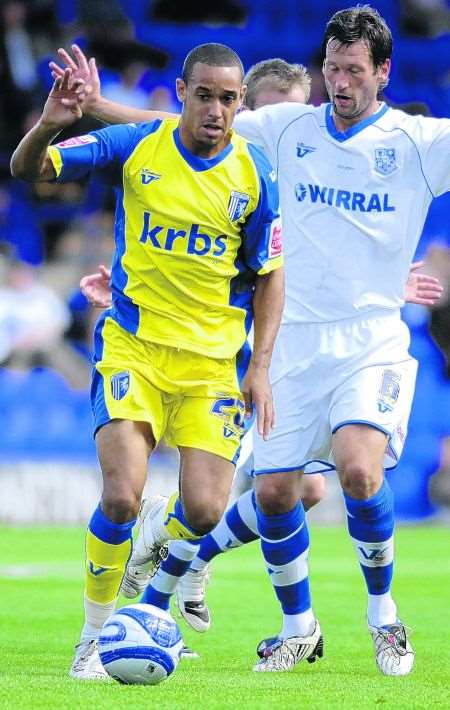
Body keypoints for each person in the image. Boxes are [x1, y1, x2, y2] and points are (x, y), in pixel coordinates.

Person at [54, 6, 450, 676]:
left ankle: (381, 616)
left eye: (355, 70)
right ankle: (291, 623)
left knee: (353, 472)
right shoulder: (285, 129)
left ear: (383, 72)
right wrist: (97, 106)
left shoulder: (417, 141)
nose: (341, 81)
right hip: (285, 341)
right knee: (273, 495)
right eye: (333, 68)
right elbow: (166, 131)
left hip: (365, 340)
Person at [11, 42, 285, 680]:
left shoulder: (256, 173)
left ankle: (168, 522)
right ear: (182, 92)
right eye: (205, 95)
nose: (216, 109)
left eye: (229, 98)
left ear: (240, 104)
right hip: (134, 349)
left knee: (208, 510)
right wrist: (52, 121)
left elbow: (271, 274)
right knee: (120, 498)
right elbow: (33, 170)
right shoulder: (140, 143)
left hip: (213, 366)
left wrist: (259, 366)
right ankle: (93, 638)